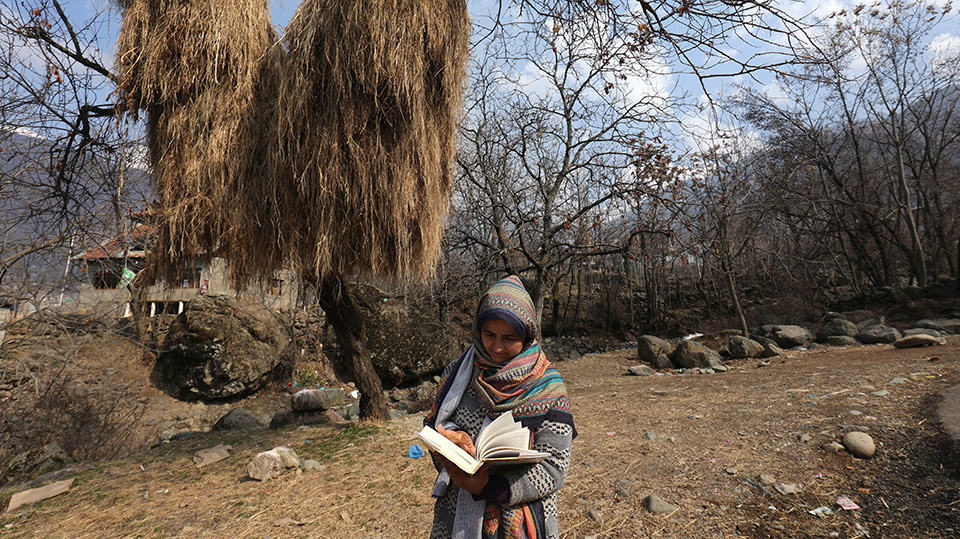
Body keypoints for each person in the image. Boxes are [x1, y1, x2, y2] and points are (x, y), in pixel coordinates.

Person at [425, 275, 575, 539]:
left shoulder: (548, 388)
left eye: (509, 337)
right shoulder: (457, 373)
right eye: (489, 334)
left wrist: (491, 487)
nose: (496, 347)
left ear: (527, 334)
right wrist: (450, 439)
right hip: (456, 510)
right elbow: (433, 425)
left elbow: (555, 466)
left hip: (519, 520)